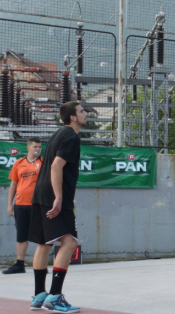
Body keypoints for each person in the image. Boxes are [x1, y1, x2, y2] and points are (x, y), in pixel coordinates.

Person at [28, 101, 87, 312]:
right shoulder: (71, 136)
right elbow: (56, 165)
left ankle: (39, 295)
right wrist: (60, 196)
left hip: (41, 193)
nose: (85, 114)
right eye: (82, 111)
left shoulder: (57, 134)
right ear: (73, 117)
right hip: (53, 195)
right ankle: (54, 297)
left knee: (44, 244)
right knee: (69, 243)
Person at [2, 137, 43, 275]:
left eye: (39, 147)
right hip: (20, 205)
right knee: (21, 236)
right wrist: (9, 204)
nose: (37, 149)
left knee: (40, 236)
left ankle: (41, 264)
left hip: (37, 205)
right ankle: (20, 264)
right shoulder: (19, 163)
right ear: (29, 147)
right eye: (35, 146)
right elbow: (13, 184)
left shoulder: (43, 163)